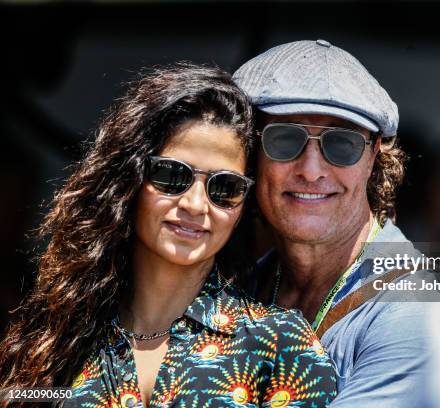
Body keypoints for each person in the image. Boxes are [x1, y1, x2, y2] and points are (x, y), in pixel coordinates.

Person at [0, 64, 337, 407]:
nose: (195, 204)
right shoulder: (56, 340)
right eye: (172, 175)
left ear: (243, 206)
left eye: (225, 187)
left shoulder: (281, 347)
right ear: (129, 180)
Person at [233, 40, 433, 407]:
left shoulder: (410, 314)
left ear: (374, 156)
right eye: (284, 139)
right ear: (249, 155)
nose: (311, 171)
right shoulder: (240, 287)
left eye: (341, 144)